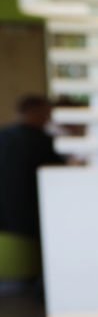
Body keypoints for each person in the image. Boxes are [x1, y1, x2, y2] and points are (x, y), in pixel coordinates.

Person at [0, 96, 65, 239]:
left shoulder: (3, 136)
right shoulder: (43, 143)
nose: (48, 119)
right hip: (28, 224)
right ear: (37, 112)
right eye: (47, 114)